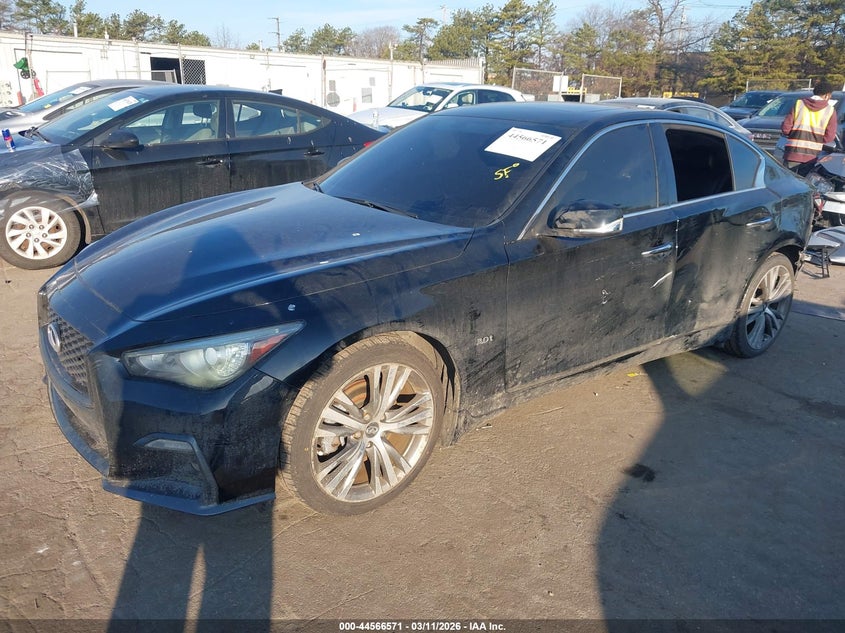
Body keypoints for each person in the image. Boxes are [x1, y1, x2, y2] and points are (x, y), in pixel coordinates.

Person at [781, 79, 837, 175]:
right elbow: (829, 137)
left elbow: (786, 128)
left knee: (788, 182)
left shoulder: (799, 104)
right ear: (827, 95)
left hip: (792, 153)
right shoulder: (830, 111)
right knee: (804, 184)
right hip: (811, 156)